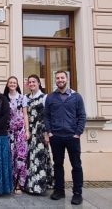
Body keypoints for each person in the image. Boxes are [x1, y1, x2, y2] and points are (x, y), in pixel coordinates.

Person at [45, 70, 86, 205]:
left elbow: (82, 116)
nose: (60, 80)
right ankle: (59, 191)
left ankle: (77, 193)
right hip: (56, 136)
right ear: (55, 80)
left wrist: (77, 133)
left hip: (72, 137)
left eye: (62, 77)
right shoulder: (51, 97)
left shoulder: (76, 97)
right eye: (57, 78)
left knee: (76, 165)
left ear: (67, 79)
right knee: (57, 165)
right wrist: (50, 132)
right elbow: (47, 116)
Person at [24, 74, 53, 195]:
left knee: (40, 157)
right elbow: (25, 115)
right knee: (31, 157)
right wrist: (27, 130)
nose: (31, 84)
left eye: (34, 82)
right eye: (29, 82)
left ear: (39, 83)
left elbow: (48, 116)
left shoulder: (45, 97)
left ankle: (40, 186)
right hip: (31, 130)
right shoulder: (26, 97)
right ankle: (31, 185)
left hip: (41, 130)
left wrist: (47, 133)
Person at [3, 76, 29, 194]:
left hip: (20, 131)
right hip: (8, 132)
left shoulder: (22, 98)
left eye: (14, 82)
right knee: (10, 157)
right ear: (8, 84)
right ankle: (11, 183)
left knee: (21, 157)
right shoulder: (4, 98)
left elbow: (25, 115)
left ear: (17, 84)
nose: (12, 84)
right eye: (10, 82)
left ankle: (20, 183)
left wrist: (27, 130)